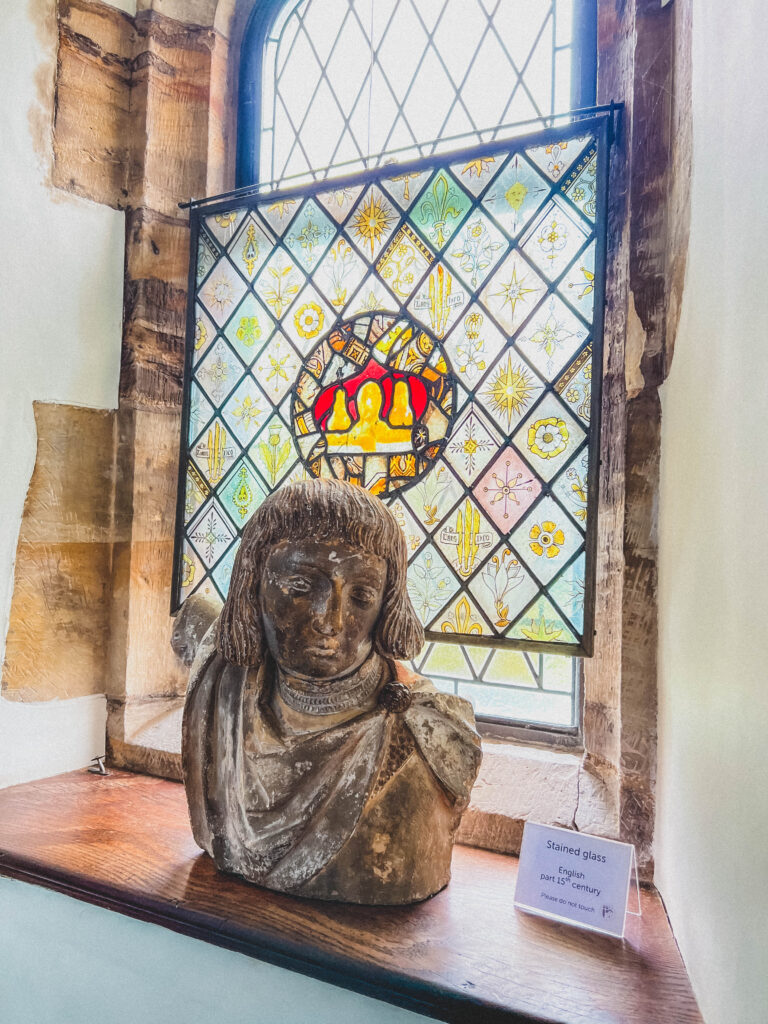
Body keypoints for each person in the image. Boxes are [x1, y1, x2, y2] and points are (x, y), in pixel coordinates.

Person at [182, 478, 482, 905]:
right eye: (302, 588)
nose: (331, 620)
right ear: (254, 584)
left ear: (388, 603)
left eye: (361, 596)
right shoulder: (222, 680)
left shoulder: (428, 735)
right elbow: (191, 622)